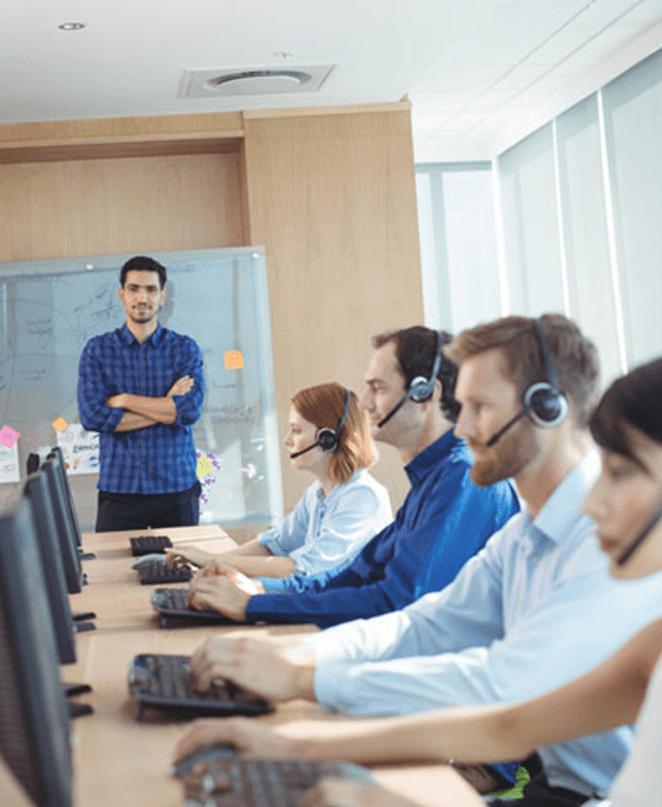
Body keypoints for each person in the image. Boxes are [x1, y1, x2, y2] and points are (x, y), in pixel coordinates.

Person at [176, 342, 662, 807]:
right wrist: (293, 744)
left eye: (623, 472)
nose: (592, 503)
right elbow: (505, 725)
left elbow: (500, 694)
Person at [184, 325, 519, 626]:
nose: (366, 403)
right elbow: (353, 577)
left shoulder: (464, 477)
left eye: (378, 388)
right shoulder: (431, 478)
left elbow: (398, 601)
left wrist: (254, 605)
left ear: (426, 394)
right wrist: (258, 591)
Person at [167, 382, 392, 584]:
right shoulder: (318, 493)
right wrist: (209, 563)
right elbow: (274, 545)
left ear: (327, 440)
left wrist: (212, 561)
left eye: (296, 431)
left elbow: (304, 569)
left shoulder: (363, 496)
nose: (286, 440)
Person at [77, 255, 205, 532]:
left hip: (177, 489)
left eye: (151, 289)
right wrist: (166, 408)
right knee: (111, 574)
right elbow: (92, 417)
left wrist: (123, 401)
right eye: (134, 289)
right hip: (119, 490)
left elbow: (189, 411)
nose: (142, 297)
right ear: (122, 295)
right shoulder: (97, 351)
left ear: (163, 296)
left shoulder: (184, 349)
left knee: (181, 573)